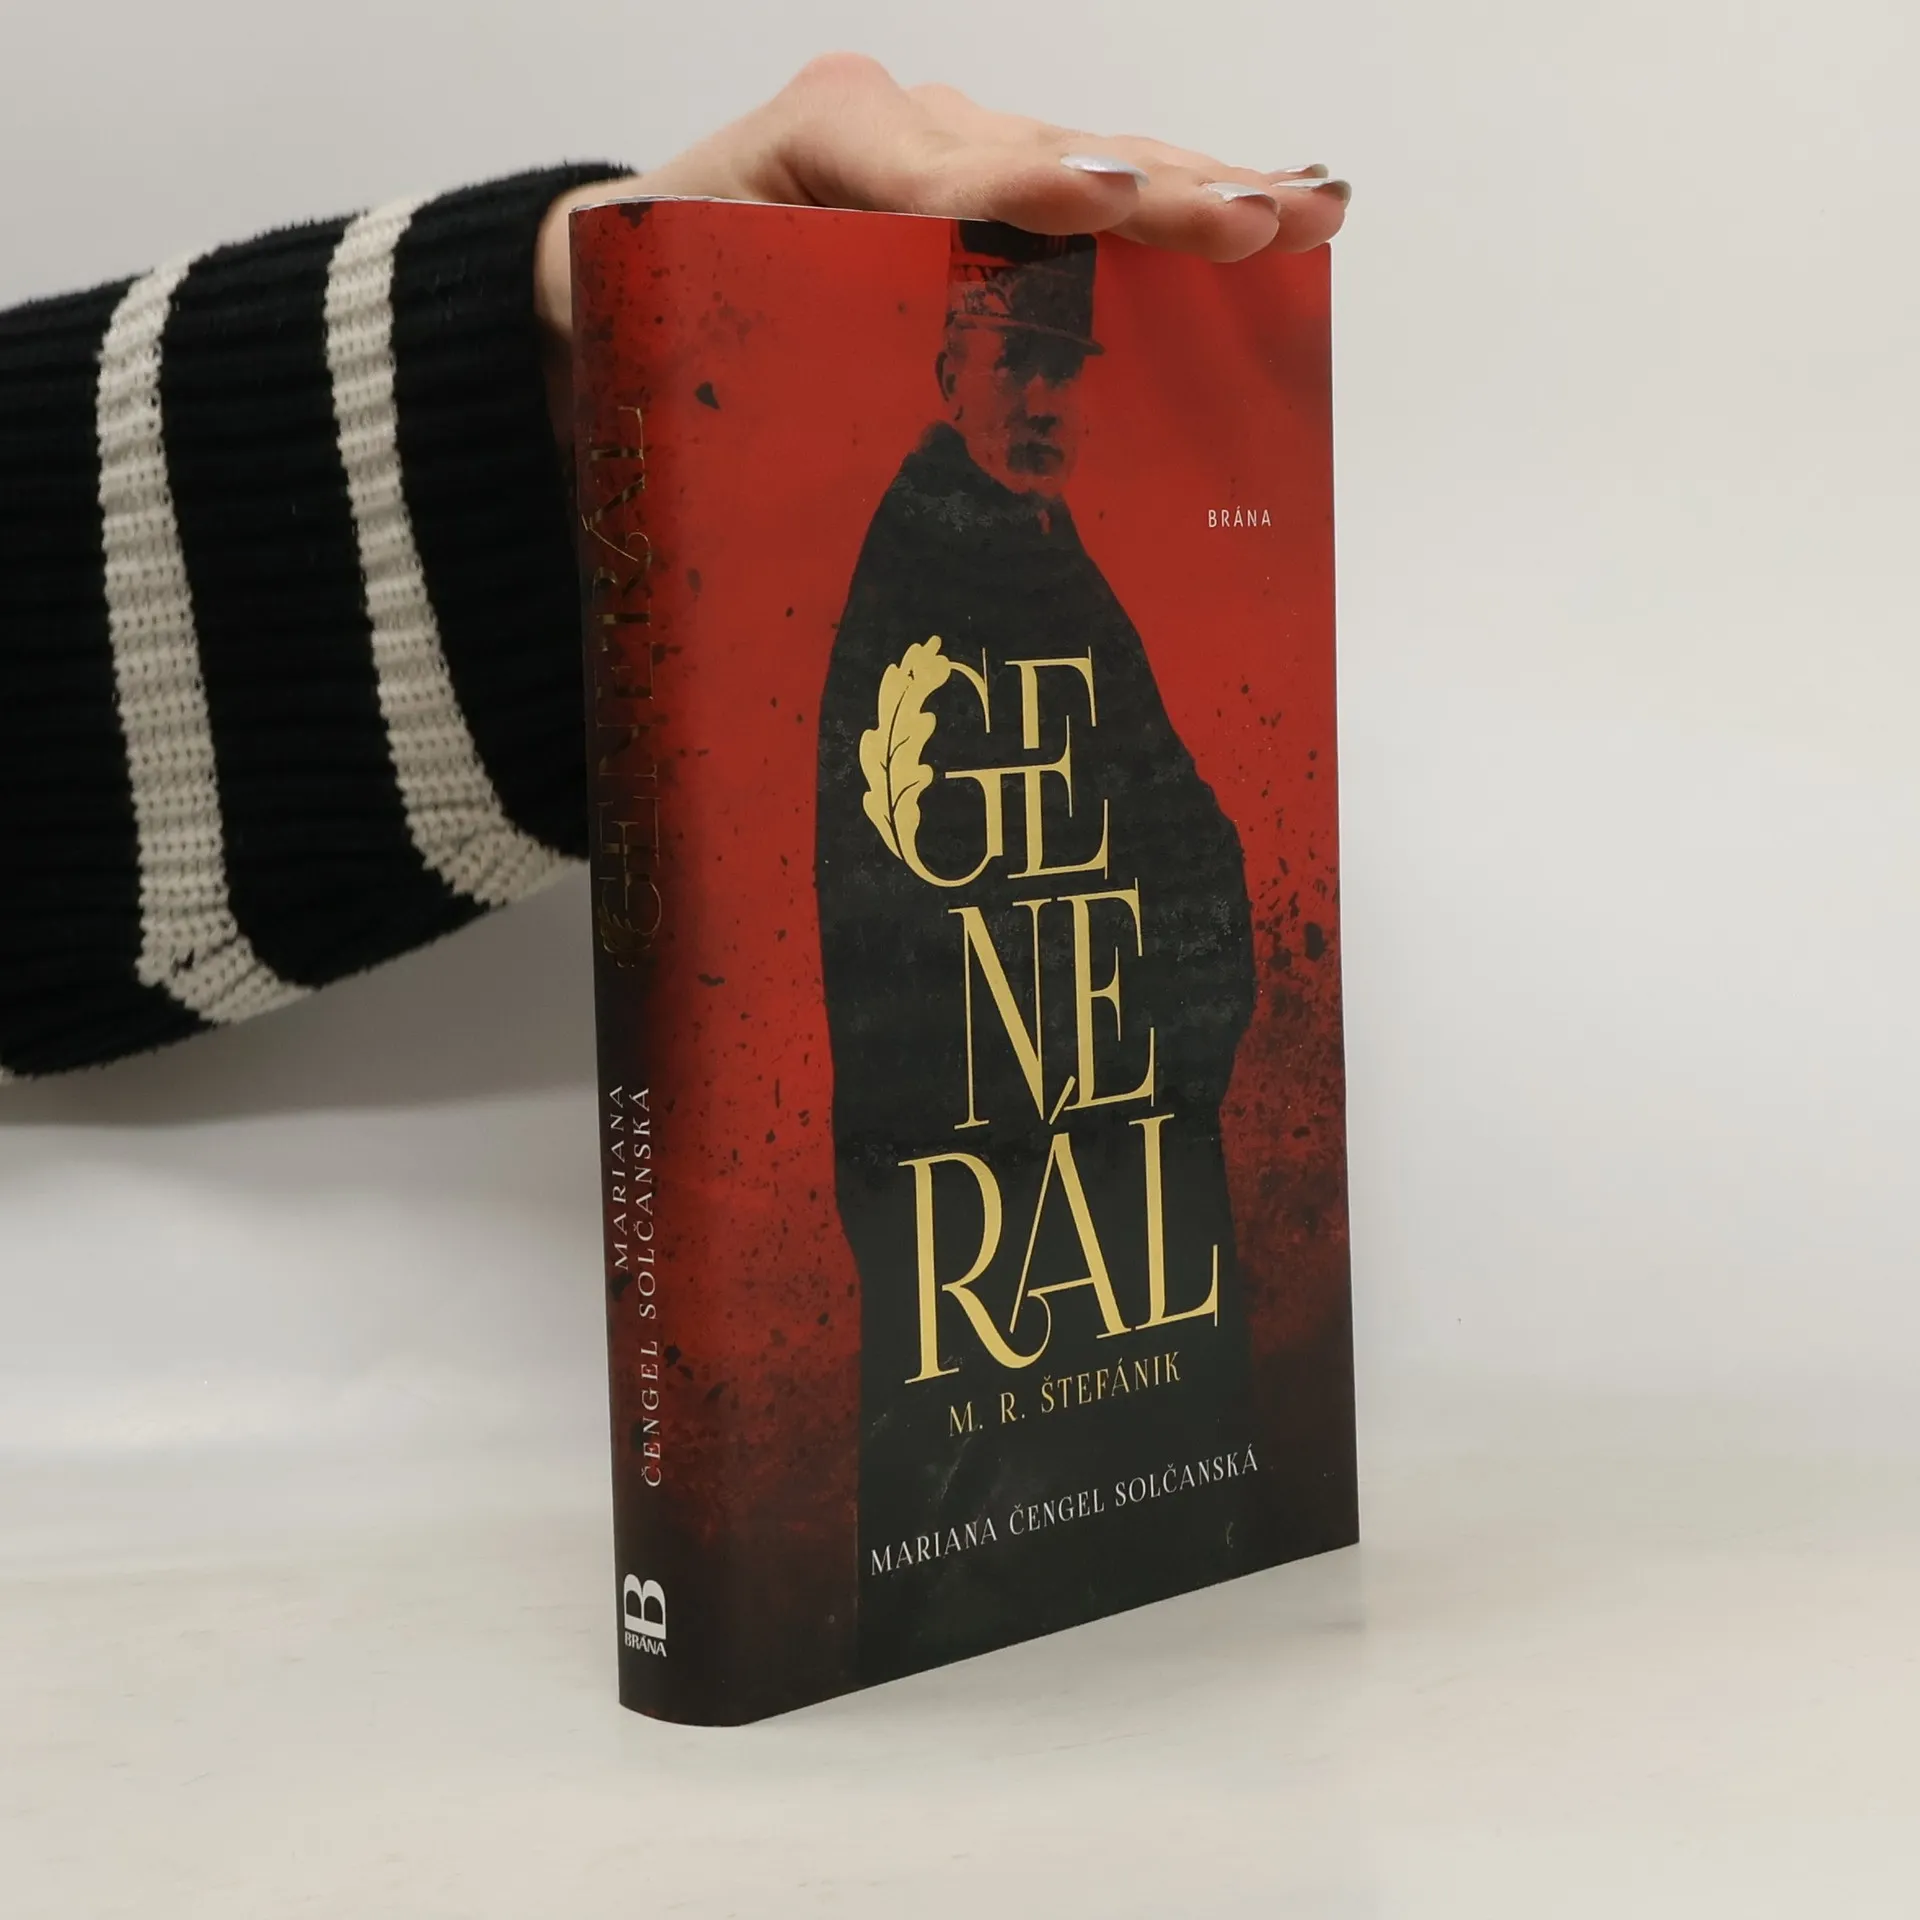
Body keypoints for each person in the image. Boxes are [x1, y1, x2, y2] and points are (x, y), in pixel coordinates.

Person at [0, 53, 1349, 1079]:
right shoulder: (897, 563)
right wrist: (596, 482)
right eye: (1018, 362)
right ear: (950, 373)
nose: (1048, 399)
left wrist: (570, 379)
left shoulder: (1100, 579)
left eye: (1067, 369)